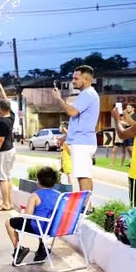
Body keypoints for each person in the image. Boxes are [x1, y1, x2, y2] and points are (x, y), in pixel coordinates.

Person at [53, 65, 100, 197]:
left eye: (76, 78)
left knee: (82, 175)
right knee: (84, 174)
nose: (73, 81)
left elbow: (72, 112)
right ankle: (87, 205)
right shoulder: (87, 94)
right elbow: (78, 120)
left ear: (86, 79)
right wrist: (65, 138)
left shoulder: (88, 94)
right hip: (82, 141)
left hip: (82, 142)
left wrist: (58, 99)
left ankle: (85, 206)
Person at [6, 166, 59, 265]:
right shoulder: (59, 195)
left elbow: (28, 216)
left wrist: (23, 212)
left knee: (9, 222)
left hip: (39, 227)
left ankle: (19, 249)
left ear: (38, 181)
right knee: (42, 219)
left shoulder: (35, 195)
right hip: (53, 227)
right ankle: (42, 248)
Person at [0, 78, 17, 211]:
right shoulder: (11, 116)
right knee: (8, 177)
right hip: (11, 150)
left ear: (1, 109)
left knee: (2, 178)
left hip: (3, 152)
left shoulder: (1, 122)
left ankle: (6, 203)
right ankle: (9, 203)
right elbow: (5, 99)